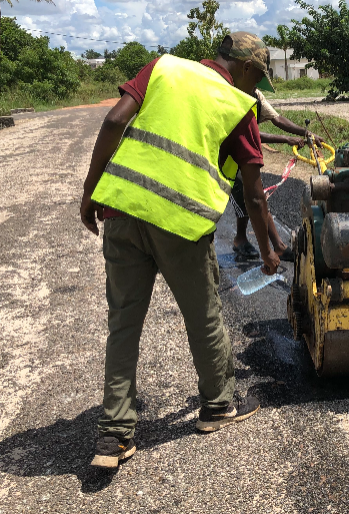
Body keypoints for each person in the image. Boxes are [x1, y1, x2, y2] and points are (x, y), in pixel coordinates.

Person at [79, 32, 279, 468]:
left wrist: (90, 192)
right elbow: (254, 195)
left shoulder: (164, 66)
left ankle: (114, 435)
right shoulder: (237, 105)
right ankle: (218, 405)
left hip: (122, 210)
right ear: (246, 68)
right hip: (179, 224)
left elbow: (113, 122)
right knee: (203, 315)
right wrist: (269, 252)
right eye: (258, 79)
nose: (256, 89)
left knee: (123, 324)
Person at [230, 89, 324, 260]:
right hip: (230, 156)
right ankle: (248, 241)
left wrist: (307, 133)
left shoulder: (256, 94)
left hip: (246, 155)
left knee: (256, 198)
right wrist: (286, 139)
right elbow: (248, 133)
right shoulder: (231, 94)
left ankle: (265, 243)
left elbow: (277, 119)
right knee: (250, 199)